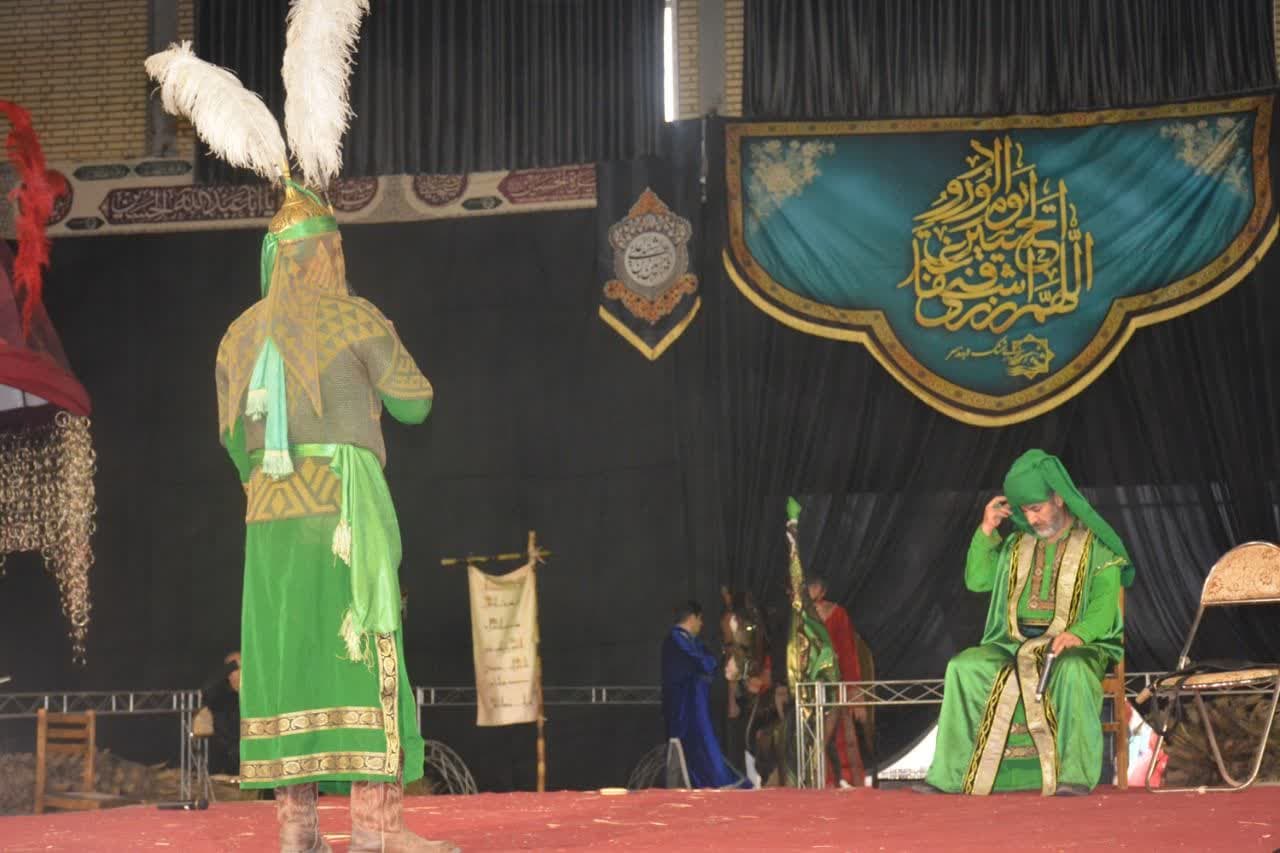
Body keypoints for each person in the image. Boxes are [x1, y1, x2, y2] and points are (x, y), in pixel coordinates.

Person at [214, 184, 447, 851]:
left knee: (288, 661)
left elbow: (232, 440)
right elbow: (416, 402)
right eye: (337, 248)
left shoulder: (237, 335)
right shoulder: (354, 318)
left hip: (270, 516)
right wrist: (381, 353)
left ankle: (297, 830)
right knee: (364, 651)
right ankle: (376, 829)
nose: (342, 259)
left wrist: (270, 479)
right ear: (323, 253)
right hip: (344, 511)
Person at [921, 449, 1133, 796]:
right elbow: (977, 580)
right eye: (1024, 511)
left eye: (1037, 508)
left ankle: (1074, 777)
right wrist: (987, 529)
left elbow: (1103, 606)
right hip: (1012, 645)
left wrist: (1078, 634)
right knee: (963, 667)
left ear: (1059, 498)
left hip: (1074, 647)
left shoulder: (1096, 547)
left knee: (1074, 671)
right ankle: (951, 777)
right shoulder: (1015, 546)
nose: (1031, 519)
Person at [661, 601, 740, 788]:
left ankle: (705, 781)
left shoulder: (690, 640)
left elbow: (707, 660)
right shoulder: (676, 640)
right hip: (684, 707)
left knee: (701, 743)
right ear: (692, 617)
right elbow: (702, 662)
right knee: (693, 744)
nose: (702, 624)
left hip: (696, 703)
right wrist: (713, 661)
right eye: (700, 619)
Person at [805, 575, 866, 787]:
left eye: (815, 587)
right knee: (812, 737)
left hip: (835, 682)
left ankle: (850, 782)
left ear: (823, 590)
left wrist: (854, 688)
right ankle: (820, 782)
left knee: (842, 735)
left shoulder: (837, 614)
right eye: (808, 586)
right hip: (810, 684)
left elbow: (848, 652)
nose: (811, 590)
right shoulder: (800, 616)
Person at [200, 651, 243, 776]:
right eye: (237, 669)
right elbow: (207, 688)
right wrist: (233, 665)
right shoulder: (221, 695)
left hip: (253, 751)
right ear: (228, 674)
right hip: (229, 755)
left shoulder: (255, 694)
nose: (241, 672)